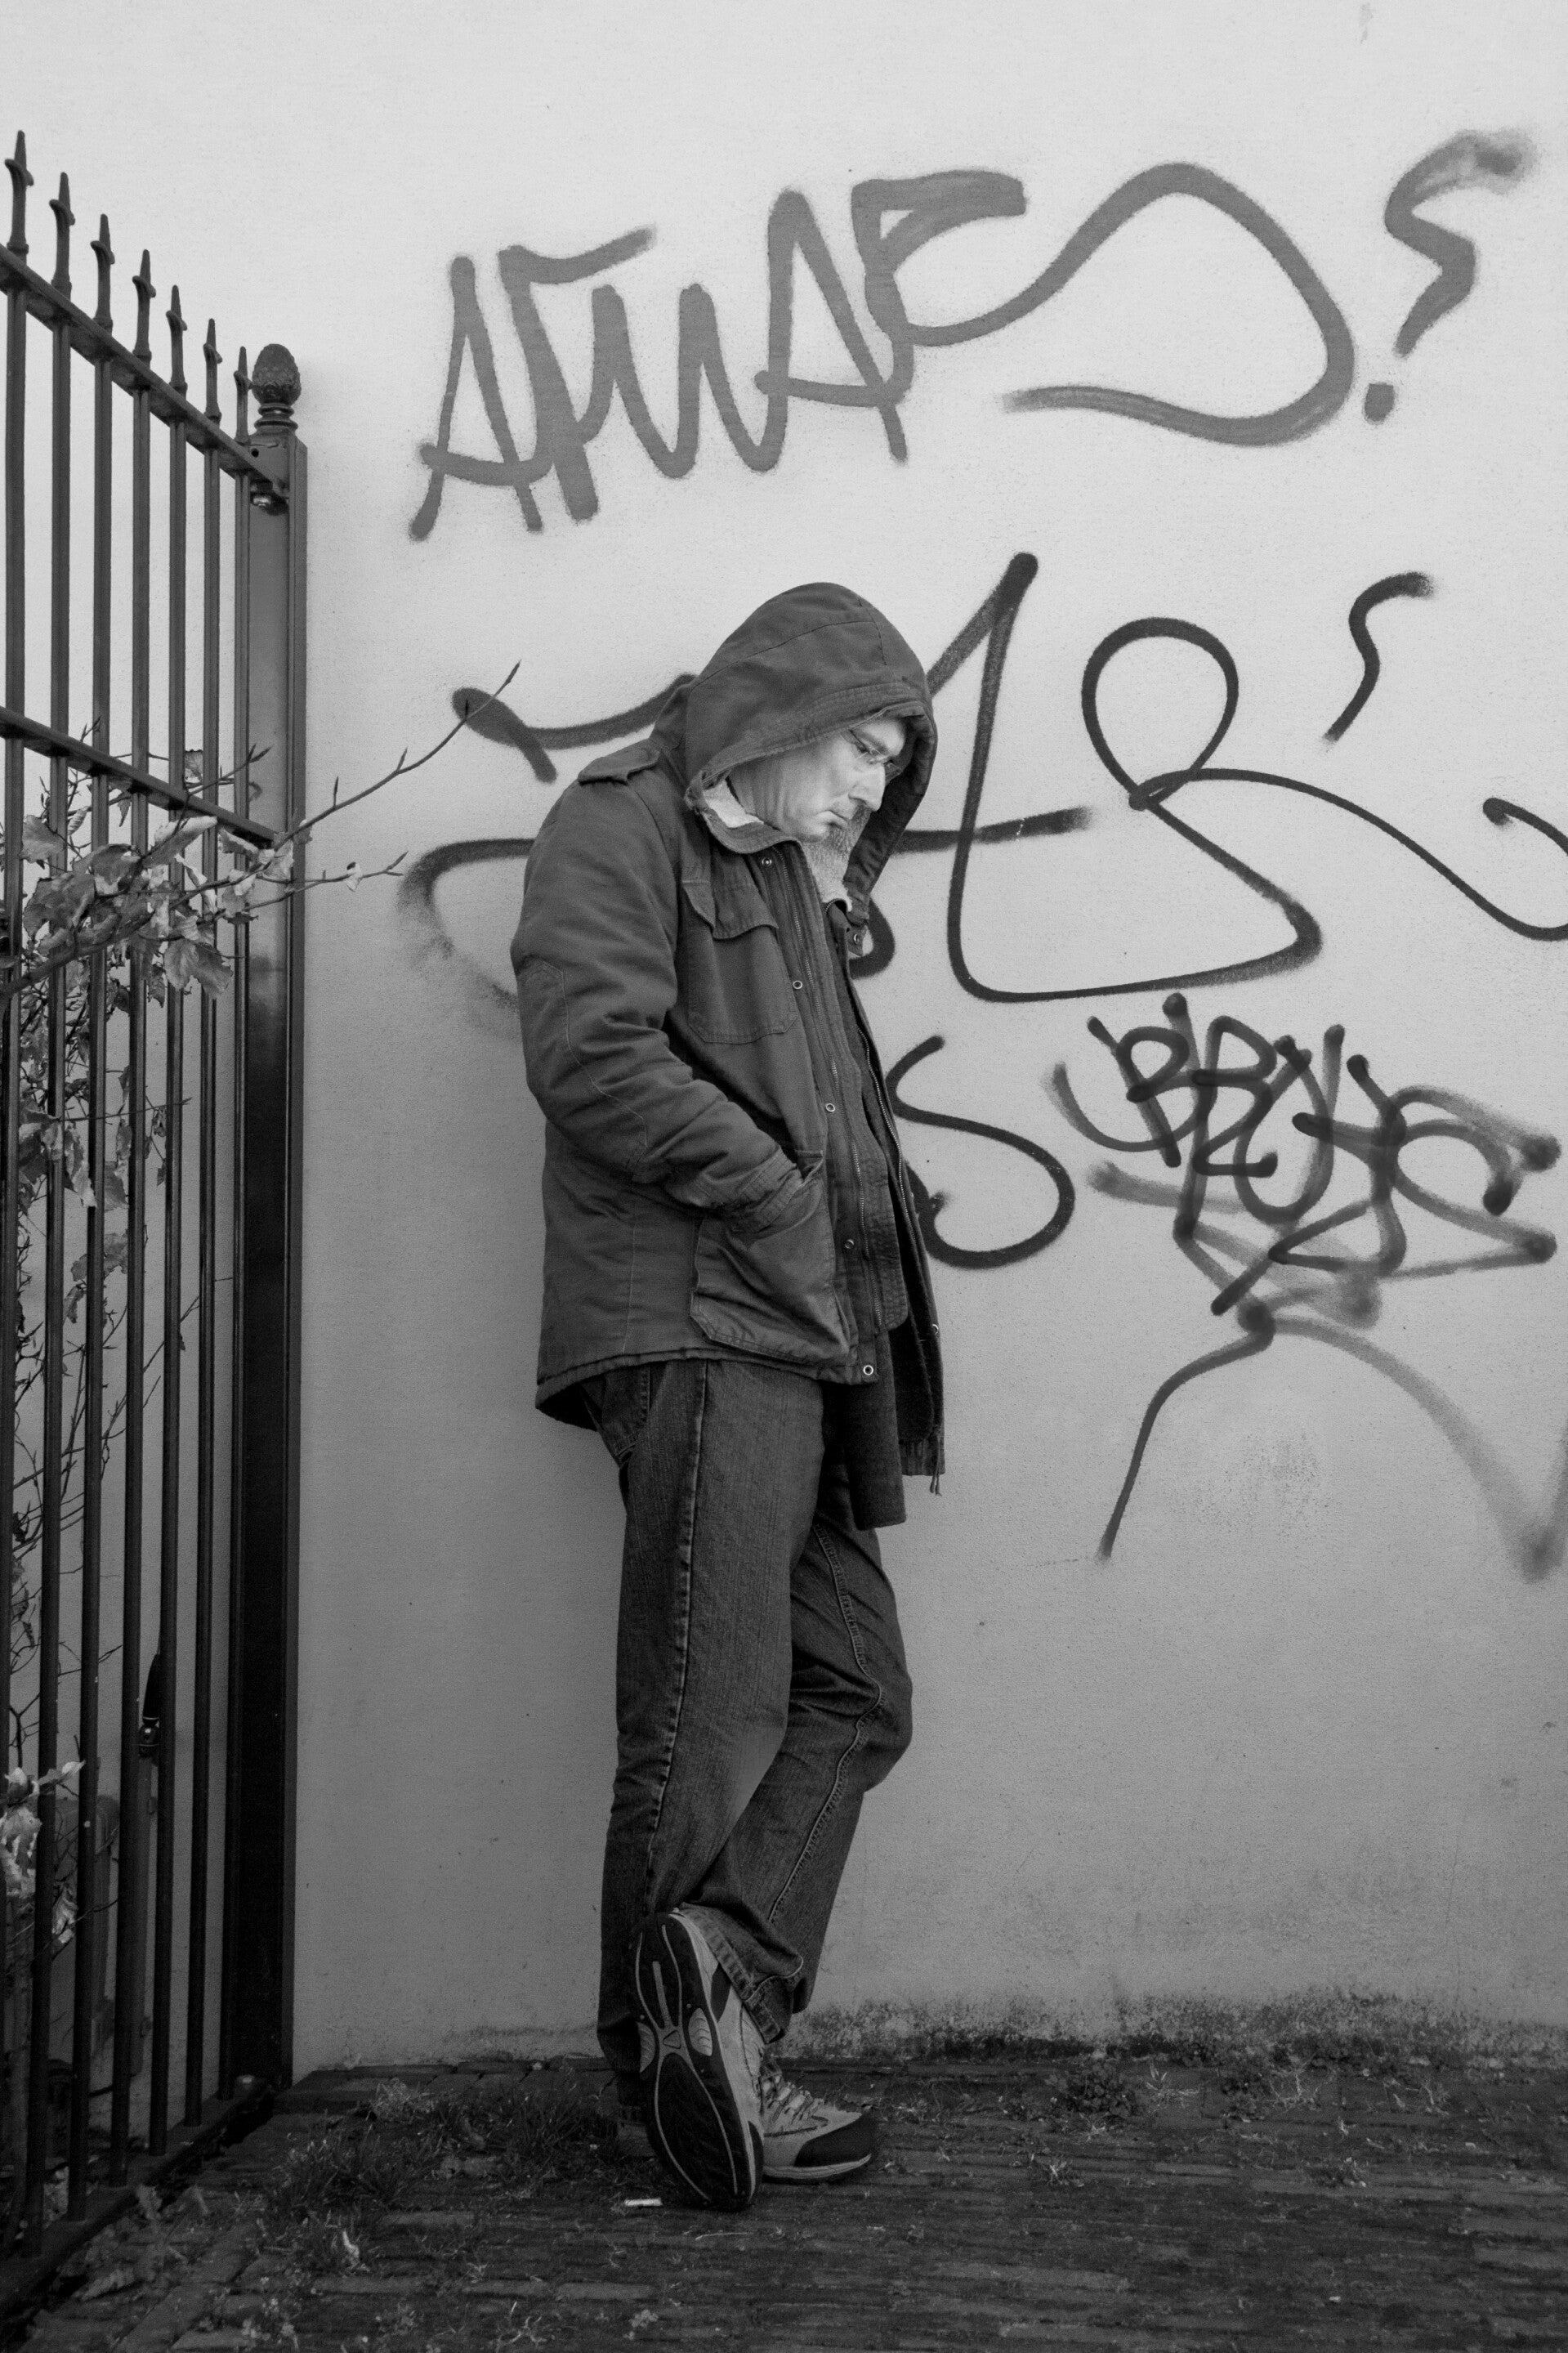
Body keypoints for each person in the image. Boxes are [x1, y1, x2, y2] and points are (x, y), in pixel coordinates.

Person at [511, 582, 944, 2211]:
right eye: (862, 749)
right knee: (704, 1718)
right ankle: (679, 2092)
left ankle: (720, 1983)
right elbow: (590, 1052)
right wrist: (775, 1192)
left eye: (894, 763)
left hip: (800, 1331)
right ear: (782, 710)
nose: (873, 788)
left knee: (858, 1690)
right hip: (699, 1322)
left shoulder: (780, 873)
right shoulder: (617, 824)